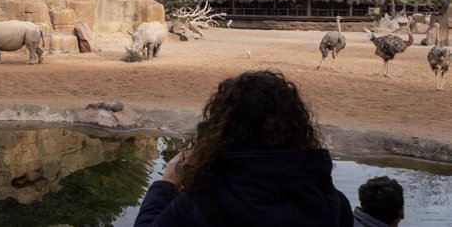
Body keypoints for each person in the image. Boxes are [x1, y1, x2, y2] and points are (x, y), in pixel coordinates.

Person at [134, 70, 353, 226]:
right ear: (299, 129)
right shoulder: (335, 206)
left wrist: (167, 183)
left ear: (219, 131)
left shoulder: (198, 208)